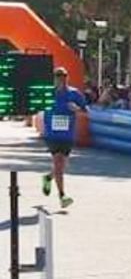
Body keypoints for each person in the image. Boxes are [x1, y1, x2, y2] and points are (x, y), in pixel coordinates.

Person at [42, 67, 86, 208]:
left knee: (61, 166)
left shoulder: (74, 94)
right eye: (58, 76)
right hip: (52, 134)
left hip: (67, 134)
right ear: (54, 78)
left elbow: (86, 110)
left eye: (64, 76)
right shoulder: (48, 93)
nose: (61, 78)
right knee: (59, 164)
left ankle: (48, 177)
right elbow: (37, 105)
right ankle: (62, 196)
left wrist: (77, 109)